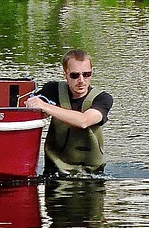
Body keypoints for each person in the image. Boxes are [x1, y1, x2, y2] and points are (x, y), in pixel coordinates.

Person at [25, 49, 112, 178]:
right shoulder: (53, 90)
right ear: (65, 74)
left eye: (86, 74)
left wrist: (45, 106)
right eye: (75, 75)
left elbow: (84, 121)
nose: (81, 80)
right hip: (54, 173)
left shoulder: (103, 98)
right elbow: (31, 108)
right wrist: (35, 105)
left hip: (92, 175)